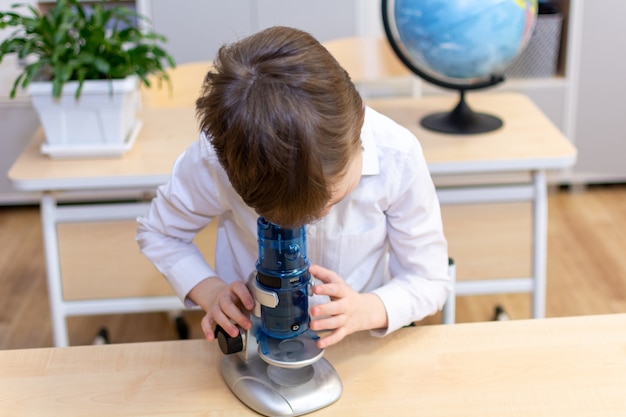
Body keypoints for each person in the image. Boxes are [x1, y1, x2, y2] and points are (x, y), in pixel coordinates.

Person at [136, 26, 450, 349]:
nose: (318, 217)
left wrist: (366, 309)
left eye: (333, 201)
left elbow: (430, 279)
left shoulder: (397, 156)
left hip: (357, 344)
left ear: (358, 131)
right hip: (256, 338)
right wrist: (211, 291)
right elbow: (160, 233)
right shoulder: (214, 158)